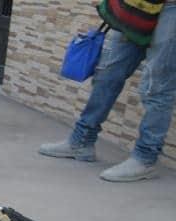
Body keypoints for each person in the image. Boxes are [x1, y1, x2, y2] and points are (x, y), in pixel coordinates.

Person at [39, 3, 176, 182]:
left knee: (156, 86)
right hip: (138, 5)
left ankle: (145, 158)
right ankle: (81, 142)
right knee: (108, 72)